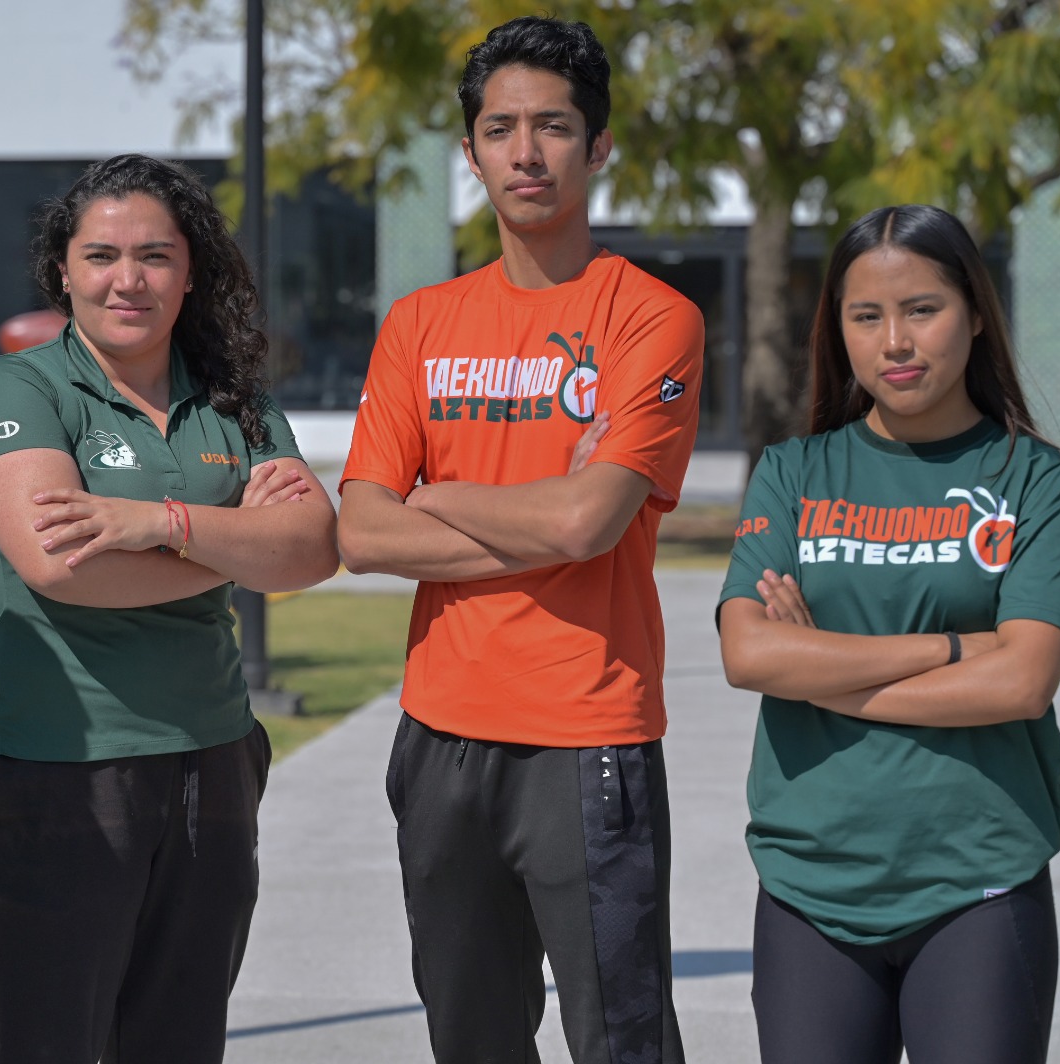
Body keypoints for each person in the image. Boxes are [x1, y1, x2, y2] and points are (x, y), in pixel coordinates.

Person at [337, 16, 703, 1064]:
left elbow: (591, 521)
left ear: (598, 147)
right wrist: (540, 510)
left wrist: (435, 493)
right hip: (439, 733)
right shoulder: (419, 322)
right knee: (471, 1039)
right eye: (500, 129)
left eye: (552, 127)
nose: (525, 152)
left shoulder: (651, 317)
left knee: (620, 1041)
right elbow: (361, 529)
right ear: (470, 154)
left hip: (585, 729)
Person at [0, 152, 338, 1064]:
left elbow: (314, 548)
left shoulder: (233, 397)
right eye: (101, 256)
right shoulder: (18, 389)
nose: (128, 279)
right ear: (62, 272)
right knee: (47, 1041)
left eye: (156, 255)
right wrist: (230, 543)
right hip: (63, 762)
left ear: (190, 270)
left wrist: (149, 522)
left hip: (214, 759)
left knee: (180, 1036)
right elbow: (63, 567)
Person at [717, 204, 1060, 1064]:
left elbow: (1022, 682)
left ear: (976, 314)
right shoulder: (793, 473)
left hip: (979, 888)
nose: (896, 341)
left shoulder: (1037, 480)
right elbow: (750, 655)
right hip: (810, 888)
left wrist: (820, 671)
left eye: (923, 308)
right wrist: (958, 647)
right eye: (866, 315)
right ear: (837, 329)